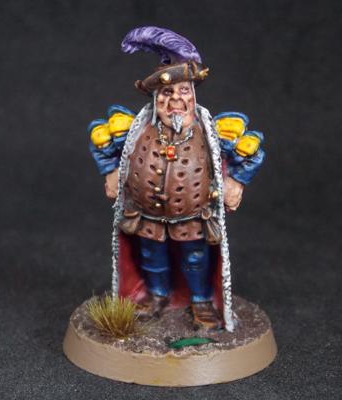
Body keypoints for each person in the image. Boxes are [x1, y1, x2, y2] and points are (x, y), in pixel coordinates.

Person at [88, 27, 265, 331]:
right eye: (167, 93)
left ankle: (201, 301)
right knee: (150, 256)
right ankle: (157, 295)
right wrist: (111, 171)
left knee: (195, 260)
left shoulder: (211, 132)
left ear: (193, 95)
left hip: (193, 217)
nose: (175, 100)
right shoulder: (136, 129)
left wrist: (236, 182)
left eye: (183, 91)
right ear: (156, 97)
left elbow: (250, 149)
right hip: (145, 215)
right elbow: (101, 139)